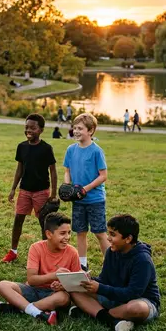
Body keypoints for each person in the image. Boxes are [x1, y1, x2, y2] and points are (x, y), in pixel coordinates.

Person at [70, 214, 160, 331]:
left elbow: (133, 293)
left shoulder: (142, 260)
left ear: (128, 239)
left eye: (113, 234)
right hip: (115, 297)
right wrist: (88, 280)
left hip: (139, 301)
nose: (108, 238)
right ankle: (111, 319)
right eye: (108, 233)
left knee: (136, 308)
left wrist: (100, 288)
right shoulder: (111, 252)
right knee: (75, 290)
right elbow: (104, 280)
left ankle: (99, 312)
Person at [0, 212, 81, 325]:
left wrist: (63, 286)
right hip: (33, 290)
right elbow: (31, 280)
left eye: (69, 233)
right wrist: (54, 275)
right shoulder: (36, 248)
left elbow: (76, 281)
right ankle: (38, 312)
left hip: (53, 294)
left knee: (63, 298)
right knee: (3, 285)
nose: (67, 237)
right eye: (62, 233)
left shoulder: (72, 252)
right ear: (49, 234)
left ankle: (19, 308)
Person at [2, 115, 57, 264]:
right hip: (25, 190)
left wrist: (53, 193)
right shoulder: (22, 147)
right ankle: (13, 251)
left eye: (33, 128)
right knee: (18, 219)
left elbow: (52, 170)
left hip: (41, 191)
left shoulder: (46, 148)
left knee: (44, 223)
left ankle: (47, 254)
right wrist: (13, 188)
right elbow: (19, 169)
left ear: (41, 130)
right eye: (27, 127)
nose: (28, 130)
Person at [64, 113, 109, 272]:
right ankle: (82, 264)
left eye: (80, 128)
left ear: (90, 131)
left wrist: (85, 189)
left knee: (99, 233)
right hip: (78, 200)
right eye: (74, 128)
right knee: (80, 232)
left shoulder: (96, 151)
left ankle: (111, 264)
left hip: (95, 199)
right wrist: (68, 186)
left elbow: (103, 176)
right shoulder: (71, 149)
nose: (76, 131)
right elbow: (67, 171)